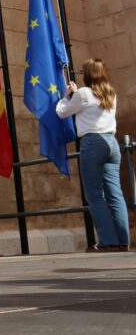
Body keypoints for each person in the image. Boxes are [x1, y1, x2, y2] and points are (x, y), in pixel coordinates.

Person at [56, 58, 130, 251]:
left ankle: (108, 241)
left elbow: (63, 112)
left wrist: (66, 95)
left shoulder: (83, 93)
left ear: (88, 74)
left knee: (95, 194)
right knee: (115, 194)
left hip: (93, 143)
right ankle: (123, 240)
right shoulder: (111, 92)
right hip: (112, 144)